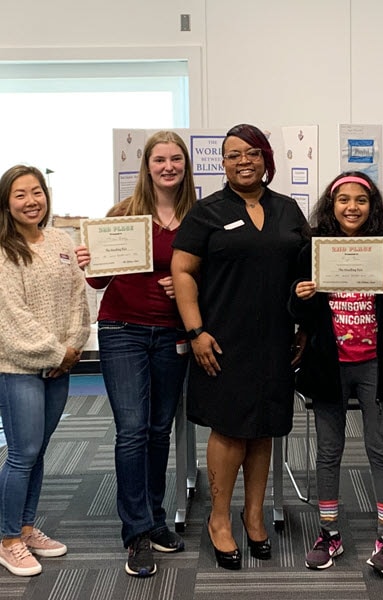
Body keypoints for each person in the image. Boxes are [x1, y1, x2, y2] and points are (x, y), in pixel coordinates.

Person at [171, 123, 308, 570]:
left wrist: (304, 327)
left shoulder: (288, 210)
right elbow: (184, 272)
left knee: (263, 427)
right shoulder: (207, 212)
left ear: (266, 158)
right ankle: (218, 519)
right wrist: (195, 332)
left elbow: (306, 275)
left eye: (251, 153)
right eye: (232, 155)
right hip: (221, 340)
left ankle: (253, 515)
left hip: (275, 340)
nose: (242, 160)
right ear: (222, 163)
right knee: (229, 429)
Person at [75, 130, 196, 577]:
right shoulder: (123, 215)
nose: (168, 167)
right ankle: (137, 533)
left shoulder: (197, 218)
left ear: (185, 166)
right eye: (160, 159)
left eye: (175, 160)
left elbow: (212, 276)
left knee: (159, 429)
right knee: (132, 430)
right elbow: (98, 283)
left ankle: (156, 519)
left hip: (172, 333)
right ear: (147, 166)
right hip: (122, 329)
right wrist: (90, 262)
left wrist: (184, 283)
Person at [289, 171, 383, 577]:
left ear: (373, 206)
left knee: (380, 451)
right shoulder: (313, 250)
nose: (352, 207)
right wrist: (300, 296)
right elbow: (296, 313)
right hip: (329, 365)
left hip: (376, 364)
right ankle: (328, 534)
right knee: (328, 452)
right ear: (331, 205)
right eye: (343, 200)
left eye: (360, 200)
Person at [0, 165, 90, 577]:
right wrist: (56, 352)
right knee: (22, 454)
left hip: (59, 364)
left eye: (36, 192)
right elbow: (10, 317)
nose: (31, 200)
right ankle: (7, 538)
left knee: (37, 452)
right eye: (20, 194)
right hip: (17, 365)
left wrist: (72, 346)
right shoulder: (3, 248)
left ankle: (26, 525)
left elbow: (77, 296)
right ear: (6, 202)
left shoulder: (60, 239)